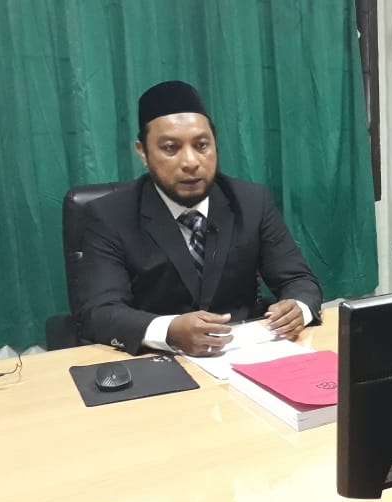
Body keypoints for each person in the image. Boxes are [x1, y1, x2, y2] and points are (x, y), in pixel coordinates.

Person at [74, 80, 322, 356]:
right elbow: (99, 312)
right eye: (171, 148)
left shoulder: (252, 201)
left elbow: (298, 280)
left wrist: (298, 308)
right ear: (143, 152)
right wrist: (169, 331)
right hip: (157, 360)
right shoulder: (110, 216)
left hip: (246, 352)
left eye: (202, 145)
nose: (191, 162)